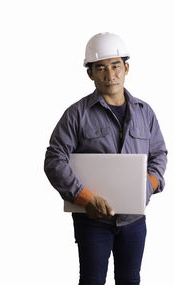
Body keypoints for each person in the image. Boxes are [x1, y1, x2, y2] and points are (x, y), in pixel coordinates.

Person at [44, 32, 167, 285]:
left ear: (126, 68)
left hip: (134, 221)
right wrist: (85, 197)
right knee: (92, 281)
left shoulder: (145, 112)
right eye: (100, 68)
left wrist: (148, 185)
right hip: (92, 220)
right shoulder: (76, 114)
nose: (110, 75)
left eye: (115, 66)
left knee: (130, 280)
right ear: (90, 73)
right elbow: (54, 159)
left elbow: (159, 154)